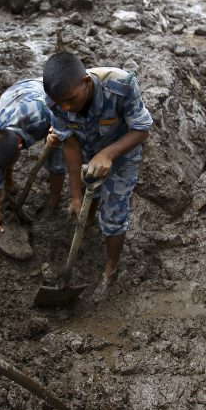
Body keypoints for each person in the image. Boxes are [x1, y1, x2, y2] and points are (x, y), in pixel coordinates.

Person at [42, 53, 154, 294]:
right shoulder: (55, 101)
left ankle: (110, 270)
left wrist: (109, 154)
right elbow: (70, 144)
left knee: (113, 214)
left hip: (122, 151)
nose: (66, 108)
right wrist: (74, 195)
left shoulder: (121, 85)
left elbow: (142, 129)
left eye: (71, 100)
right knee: (85, 194)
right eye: (60, 103)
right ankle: (88, 223)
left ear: (86, 82)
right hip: (85, 147)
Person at [0, 80, 66, 232]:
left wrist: (56, 131)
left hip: (47, 95)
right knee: (2, 160)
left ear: (20, 147)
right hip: (13, 96)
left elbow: (64, 116)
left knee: (56, 161)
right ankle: (9, 184)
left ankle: (54, 201)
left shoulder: (42, 115)